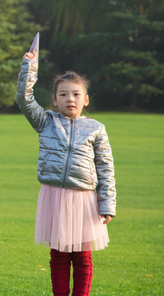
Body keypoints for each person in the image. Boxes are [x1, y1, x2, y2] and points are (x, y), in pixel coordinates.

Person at [16, 50, 115, 296]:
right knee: (59, 256)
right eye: (63, 94)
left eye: (76, 94)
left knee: (82, 256)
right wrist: (29, 67)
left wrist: (107, 204)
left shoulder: (96, 129)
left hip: (84, 200)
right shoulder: (45, 122)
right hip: (55, 197)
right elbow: (24, 99)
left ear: (86, 99)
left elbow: (106, 168)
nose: (70, 99)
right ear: (54, 100)